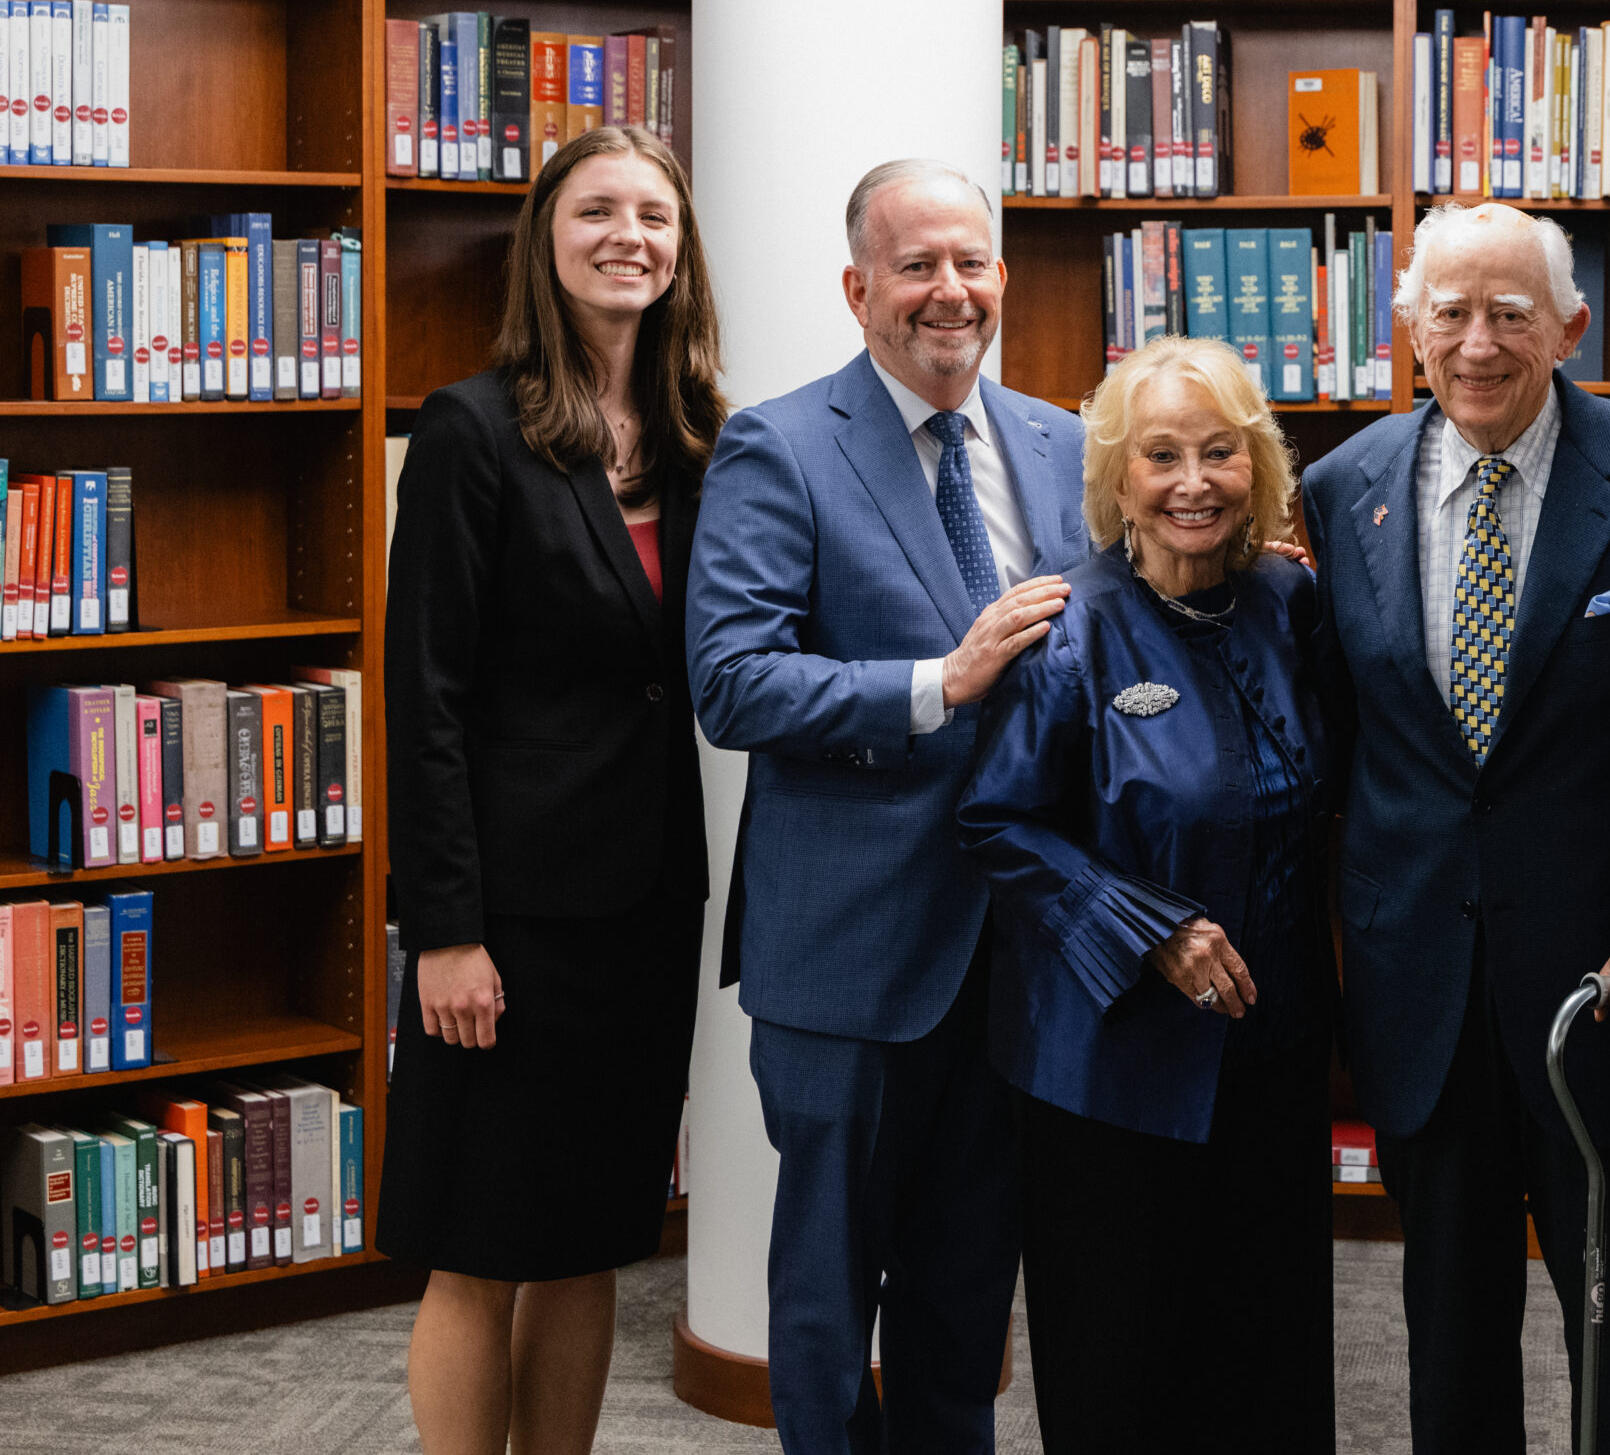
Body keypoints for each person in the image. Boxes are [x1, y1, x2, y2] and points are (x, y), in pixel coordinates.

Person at [1301, 202, 1610, 1455]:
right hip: (1423, 998)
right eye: (1448, 313)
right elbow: (1343, 752)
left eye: (1511, 312)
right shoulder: (1339, 488)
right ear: (1407, 331)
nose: (1477, 342)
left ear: (1568, 326)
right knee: (1448, 1331)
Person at [687, 159, 1088, 1452]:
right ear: (859, 290)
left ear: (1003, 279)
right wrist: (939, 682)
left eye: (971, 262)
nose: (949, 291)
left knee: (967, 1304)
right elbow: (733, 682)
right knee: (826, 1300)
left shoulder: (1061, 443)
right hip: (849, 957)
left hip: (1016, 960)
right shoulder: (781, 445)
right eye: (916, 266)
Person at [382, 124, 721, 1455]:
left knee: (589, 1242)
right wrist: (447, 930)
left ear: (680, 248)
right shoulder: (474, 431)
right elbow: (429, 701)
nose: (628, 236)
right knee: (477, 1246)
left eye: (653, 214)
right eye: (597, 212)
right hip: (509, 918)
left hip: (643, 905)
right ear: (547, 238)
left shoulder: (706, 440)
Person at [960, 336, 1335, 1454]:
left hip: (1268, 1060)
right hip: (1110, 1071)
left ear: (1256, 468)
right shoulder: (1065, 621)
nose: (1192, 481)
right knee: (1121, 1369)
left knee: (1263, 1358)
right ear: (1117, 477)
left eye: (1220, 452)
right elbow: (996, 819)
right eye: (1160, 454)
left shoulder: (1289, 605)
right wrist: (1150, 926)